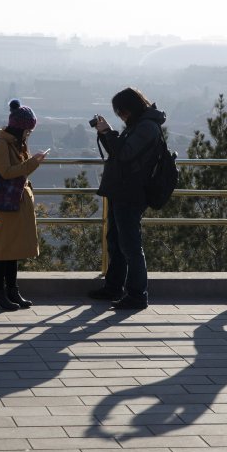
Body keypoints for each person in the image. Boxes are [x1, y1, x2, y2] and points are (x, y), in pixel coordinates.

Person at [87, 87, 166, 310]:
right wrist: (106, 134)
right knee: (116, 242)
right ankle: (114, 287)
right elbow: (121, 152)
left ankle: (137, 295)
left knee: (130, 246)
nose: (120, 116)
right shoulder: (139, 125)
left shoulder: (147, 127)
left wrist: (109, 133)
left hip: (131, 193)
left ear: (130, 108)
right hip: (121, 190)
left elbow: (124, 154)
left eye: (121, 111)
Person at [0, 100, 49, 311]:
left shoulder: (16, 143)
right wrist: (33, 163)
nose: (29, 134)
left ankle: (12, 290)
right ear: (21, 127)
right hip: (7, 201)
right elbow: (7, 172)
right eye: (28, 130)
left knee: (13, 250)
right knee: (4, 249)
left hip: (18, 200)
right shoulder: (2, 144)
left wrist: (32, 161)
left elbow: (19, 169)